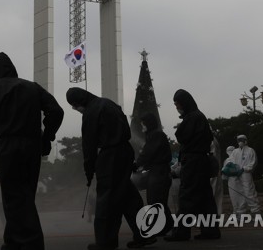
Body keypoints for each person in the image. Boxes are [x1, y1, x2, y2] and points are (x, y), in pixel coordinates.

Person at [0, 52, 64, 250]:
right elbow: (57, 111)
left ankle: (26, 244)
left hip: (9, 147)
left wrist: (2, 128)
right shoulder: (31, 87)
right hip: (32, 148)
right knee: (25, 196)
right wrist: (46, 137)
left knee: (13, 199)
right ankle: (16, 242)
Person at [66, 87, 153, 250]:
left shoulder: (91, 112)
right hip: (125, 152)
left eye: (74, 105)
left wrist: (89, 169)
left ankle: (105, 243)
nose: (75, 109)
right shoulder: (109, 104)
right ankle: (145, 234)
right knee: (128, 196)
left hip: (110, 156)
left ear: (79, 102)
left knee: (106, 200)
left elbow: (89, 145)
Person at [164, 89, 220, 241]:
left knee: (187, 196)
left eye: (178, 104)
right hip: (200, 161)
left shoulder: (192, 117)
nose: (177, 107)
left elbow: (182, 135)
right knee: (205, 198)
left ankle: (181, 232)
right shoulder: (199, 116)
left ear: (185, 103)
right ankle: (211, 231)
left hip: (193, 162)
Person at [134, 112, 173, 236]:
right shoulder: (155, 135)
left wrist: (135, 165)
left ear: (149, 124)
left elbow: (148, 153)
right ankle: (166, 226)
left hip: (159, 172)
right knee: (157, 200)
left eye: (143, 124)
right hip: (159, 172)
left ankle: (161, 227)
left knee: (156, 200)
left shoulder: (156, 136)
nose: (142, 127)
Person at [230, 135, 260, 214]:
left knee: (249, 191)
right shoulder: (235, 151)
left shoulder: (250, 150)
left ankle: (255, 211)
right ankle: (240, 212)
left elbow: (253, 162)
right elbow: (231, 162)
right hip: (236, 174)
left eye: (241, 139)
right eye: (238, 140)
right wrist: (234, 170)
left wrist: (244, 169)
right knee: (238, 192)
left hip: (246, 174)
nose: (240, 141)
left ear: (246, 140)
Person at [222, 145, 247, 215]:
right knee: (237, 195)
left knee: (236, 195)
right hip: (236, 179)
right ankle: (238, 211)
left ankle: (239, 211)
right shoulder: (236, 158)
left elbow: (224, 172)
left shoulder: (228, 160)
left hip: (234, 179)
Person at [210, 135, 223, 215]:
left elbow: (212, 155)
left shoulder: (209, 140)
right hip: (215, 170)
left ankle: (211, 215)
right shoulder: (214, 140)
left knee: (211, 193)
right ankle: (217, 214)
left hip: (210, 171)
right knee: (217, 194)